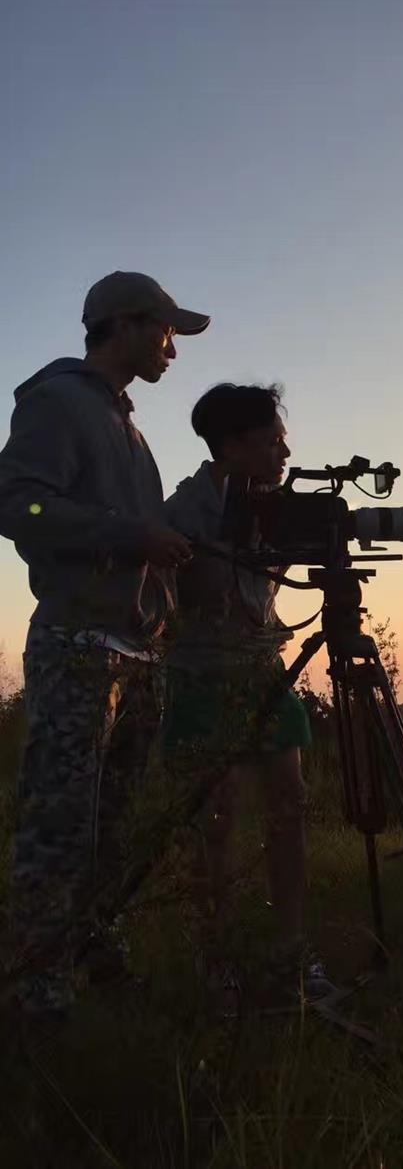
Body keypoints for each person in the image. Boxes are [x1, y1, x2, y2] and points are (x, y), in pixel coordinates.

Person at [0, 271, 209, 1019]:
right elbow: (17, 503)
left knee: (112, 823)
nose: (172, 351)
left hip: (133, 651)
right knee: (60, 826)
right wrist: (130, 535)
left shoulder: (128, 426)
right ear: (123, 323)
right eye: (165, 332)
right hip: (79, 645)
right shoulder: (57, 404)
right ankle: (35, 995)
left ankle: (92, 949)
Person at [163, 382, 333, 1008]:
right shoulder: (184, 512)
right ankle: (217, 959)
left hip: (263, 668)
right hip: (200, 673)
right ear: (231, 445)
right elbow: (158, 595)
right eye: (271, 440)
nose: (284, 450)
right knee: (216, 821)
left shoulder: (274, 504)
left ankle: (292, 949)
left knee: (289, 807)